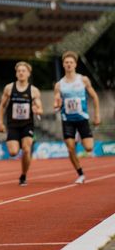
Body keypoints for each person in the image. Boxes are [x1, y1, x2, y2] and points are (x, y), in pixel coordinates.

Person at [54, 50, 100, 184]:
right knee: (70, 147)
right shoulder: (59, 85)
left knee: (89, 148)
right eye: (66, 62)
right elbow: (56, 105)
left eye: (71, 62)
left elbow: (95, 97)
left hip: (82, 119)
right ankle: (80, 173)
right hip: (67, 119)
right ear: (63, 65)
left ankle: (79, 136)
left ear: (75, 64)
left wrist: (97, 115)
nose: (69, 64)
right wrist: (57, 105)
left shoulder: (83, 79)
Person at [0, 61, 43, 186]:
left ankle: (23, 175)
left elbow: (40, 109)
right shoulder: (9, 88)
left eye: (23, 71)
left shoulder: (34, 91)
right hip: (12, 124)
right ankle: (22, 171)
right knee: (13, 152)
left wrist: (37, 109)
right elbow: (2, 106)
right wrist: (0, 122)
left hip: (27, 124)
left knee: (27, 150)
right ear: (16, 73)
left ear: (28, 73)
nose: (21, 73)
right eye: (19, 71)